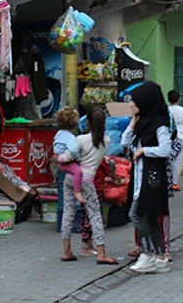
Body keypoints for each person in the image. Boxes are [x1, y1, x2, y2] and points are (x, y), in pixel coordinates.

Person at [122, 81, 172, 273]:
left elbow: (165, 149)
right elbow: (125, 141)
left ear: (146, 101)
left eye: (134, 101)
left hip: (151, 178)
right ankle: (159, 257)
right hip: (140, 176)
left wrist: (144, 150)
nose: (131, 104)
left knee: (136, 213)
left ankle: (147, 254)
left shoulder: (160, 124)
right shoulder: (142, 122)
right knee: (149, 216)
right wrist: (133, 121)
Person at [59, 109, 118, 265]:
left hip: (70, 178)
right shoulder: (107, 141)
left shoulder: (80, 139)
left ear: (87, 122)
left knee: (68, 212)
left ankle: (67, 251)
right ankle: (101, 253)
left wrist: (57, 157)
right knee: (95, 214)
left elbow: (66, 157)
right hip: (87, 180)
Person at [53, 106, 86, 204]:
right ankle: (77, 191)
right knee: (78, 172)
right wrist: (78, 158)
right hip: (65, 162)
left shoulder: (58, 133)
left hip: (58, 159)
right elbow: (74, 149)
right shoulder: (70, 137)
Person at [167, 89, 183, 191]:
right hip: (180, 138)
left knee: (168, 160)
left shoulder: (166, 110)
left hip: (168, 138)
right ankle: (174, 183)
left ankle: (167, 181)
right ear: (179, 99)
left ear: (168, 99)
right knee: (178, 161)